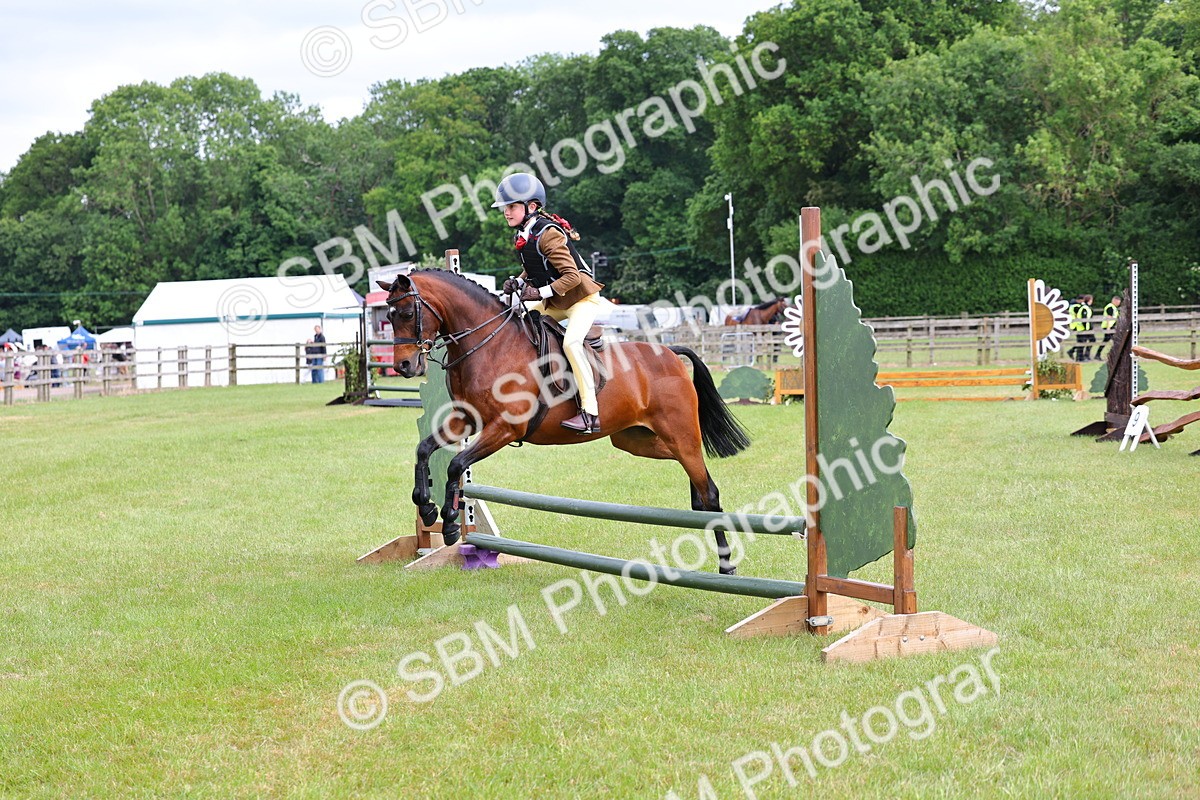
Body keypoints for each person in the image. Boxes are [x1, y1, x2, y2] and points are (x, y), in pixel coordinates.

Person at [494, 172, 605, 434]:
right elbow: (533, 268)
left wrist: (539, 292)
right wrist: (518, 282)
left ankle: (590, 413)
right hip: (555, 299)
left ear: (531, 207)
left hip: (581, 299)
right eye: (505, 207)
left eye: (511, 207)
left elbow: (572, 277)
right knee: (515, 322)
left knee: (572, 343)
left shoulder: (548, 234)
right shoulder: (522, 235)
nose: (506, 213)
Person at [1095, 295, 1121, 360]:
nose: (1119, 304)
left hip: (1111, 327)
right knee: (1116, 341)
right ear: (1114, 301)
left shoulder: (1114, 307)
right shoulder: (1110, 307)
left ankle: (1098, 354)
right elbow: (1109, 318)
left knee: (1107, 341)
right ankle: (1114, 356)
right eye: (1118, 302)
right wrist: (1108, 328)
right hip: (1108, 327)